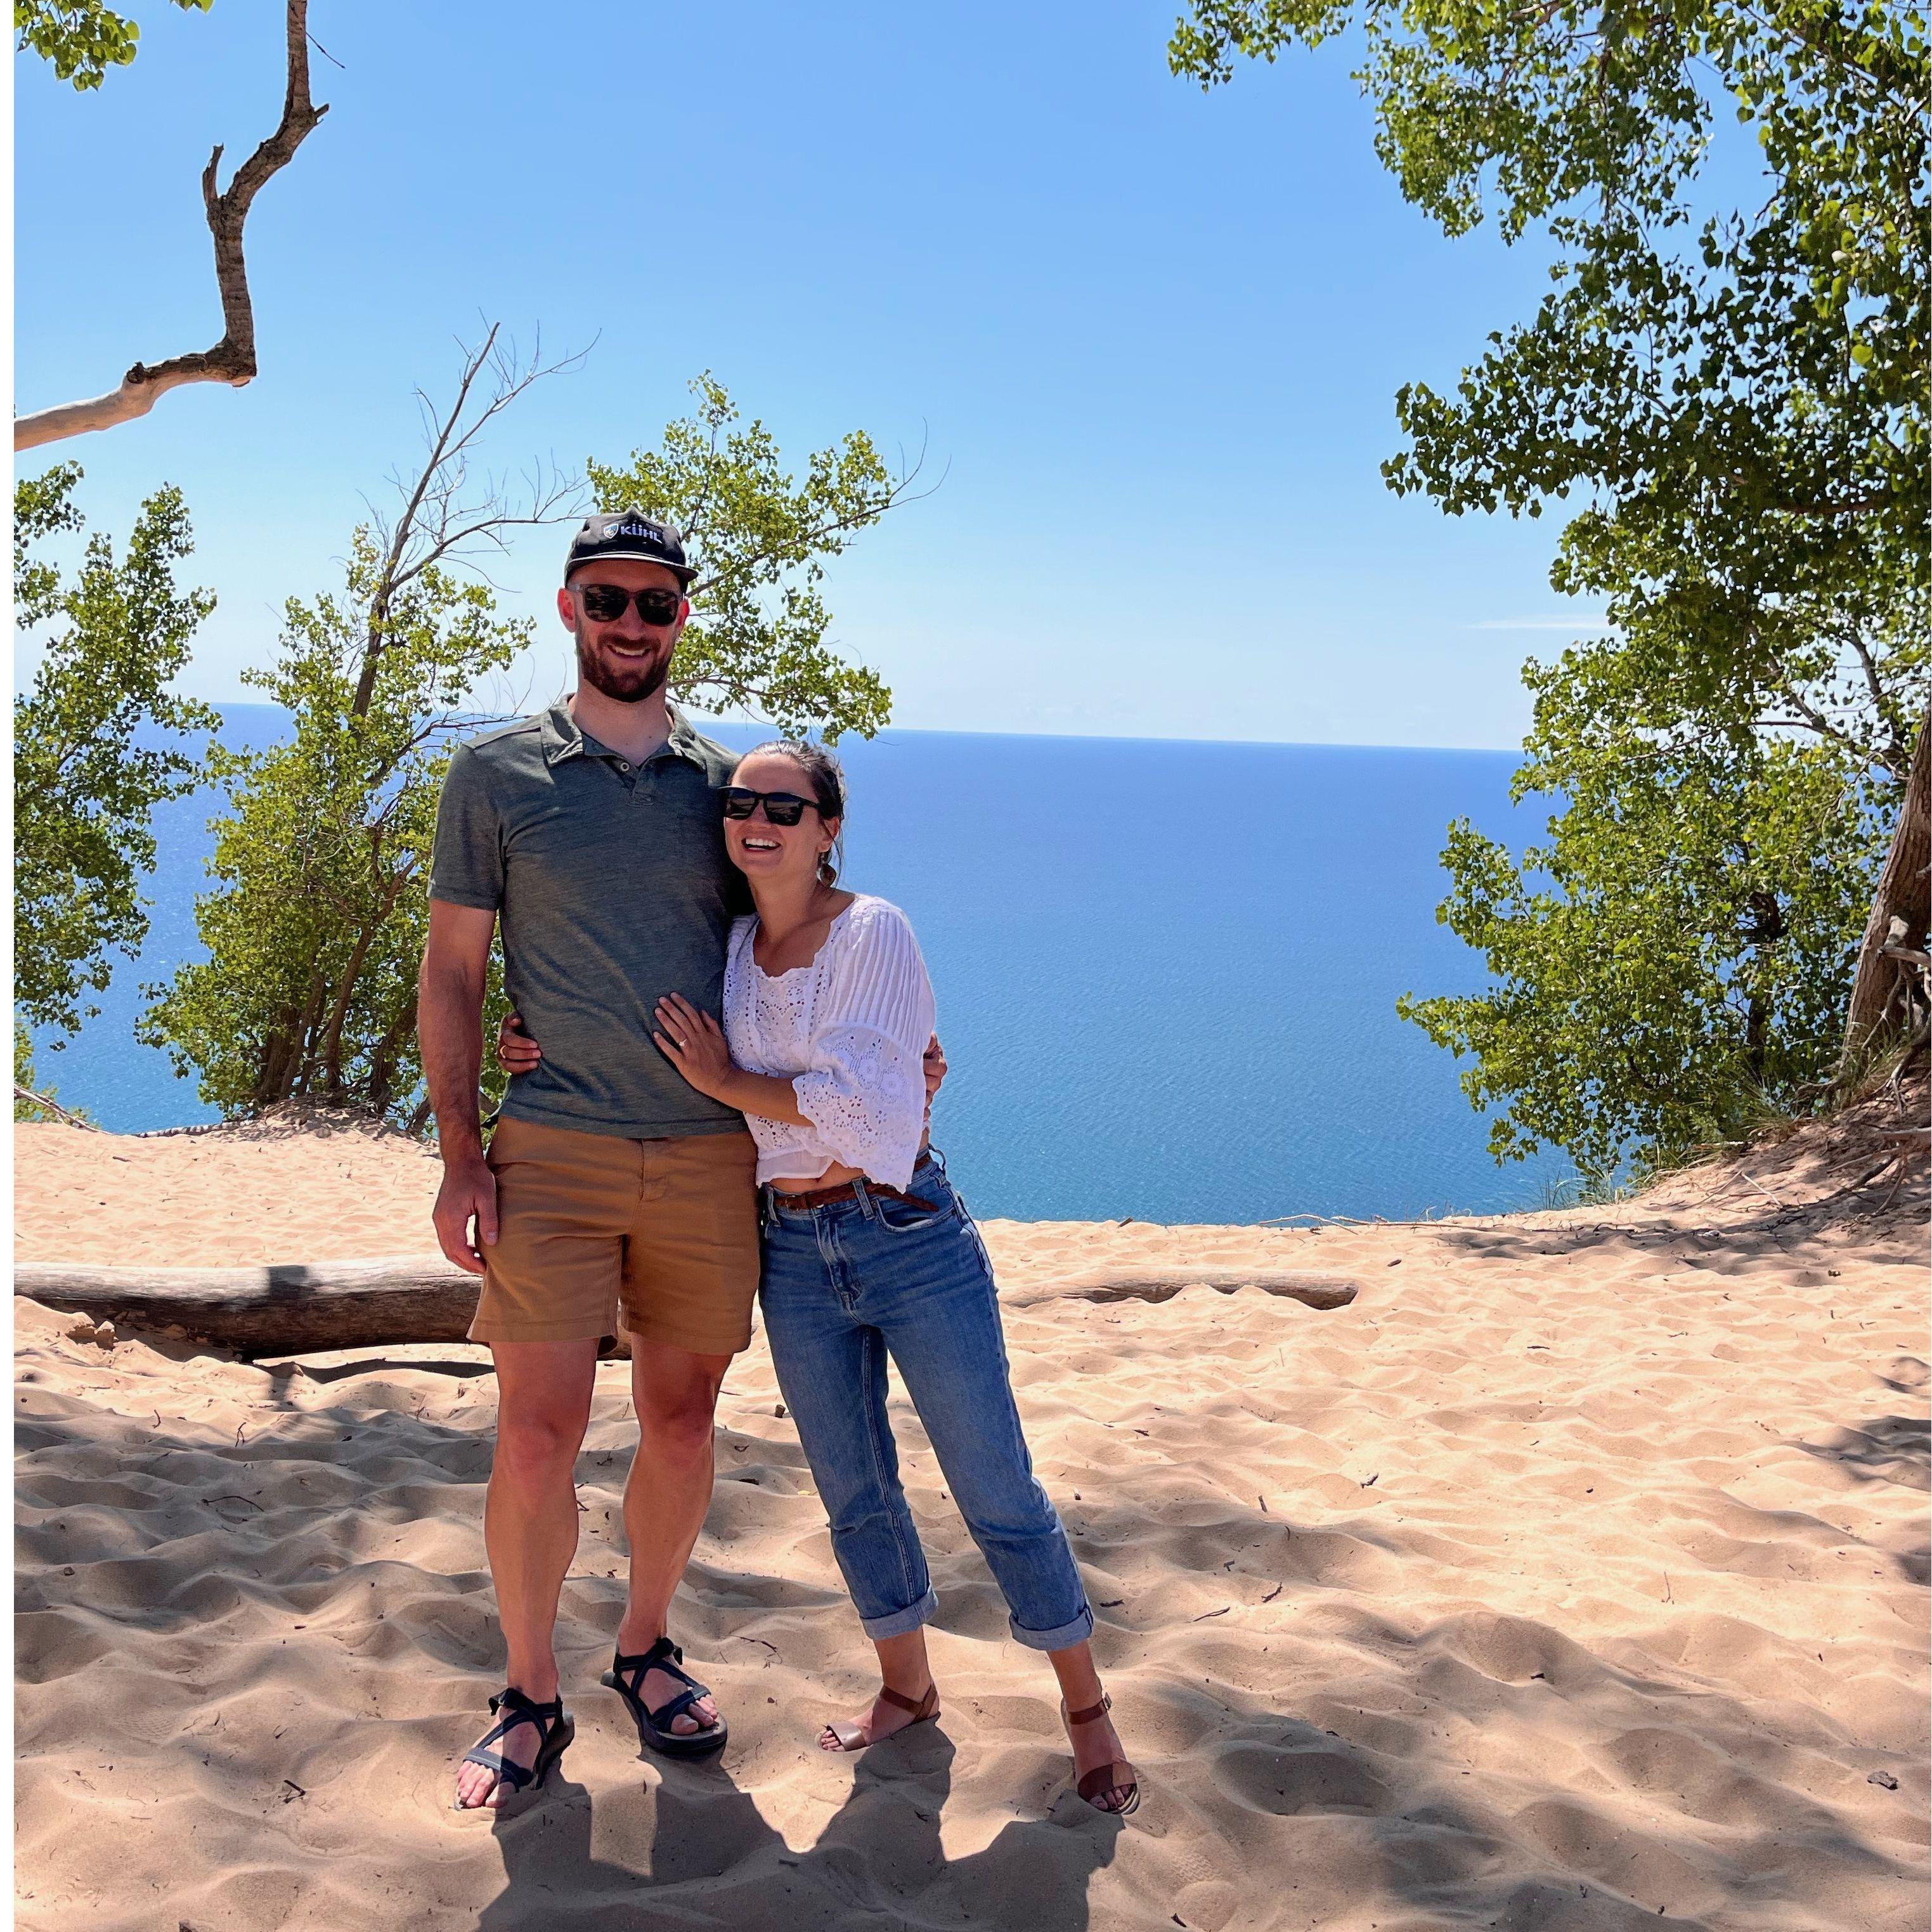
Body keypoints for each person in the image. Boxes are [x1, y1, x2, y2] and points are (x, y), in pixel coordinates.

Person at [496, 738, 1139, 1814]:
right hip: (791, 1253)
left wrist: (730, 1079)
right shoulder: (735, 947)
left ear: (828, 828)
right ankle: (909, 1686)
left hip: (908, 1235)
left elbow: (873, 1114)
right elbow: (630, 1016)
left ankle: (1087, 1712)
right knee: (854, 1493)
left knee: (994, 1486)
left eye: (786, 807)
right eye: (742, 803)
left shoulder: (872, 930)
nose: (758, 820)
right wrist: (531, 1040)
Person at [417, 508, 945, 1810]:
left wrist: (901, 1055)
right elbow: (450, 971)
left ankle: (644, 1646)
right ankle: (530, 1692)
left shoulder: (728, 791)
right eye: (609, 599)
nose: (631, 624)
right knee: (537, 1438)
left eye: (655, 603)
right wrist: (457, 1153)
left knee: (682, 1421)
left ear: (681, 619)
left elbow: (811, 926)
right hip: (550, 1151)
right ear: (568, 609)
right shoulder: (496, 779)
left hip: (714, 1160)